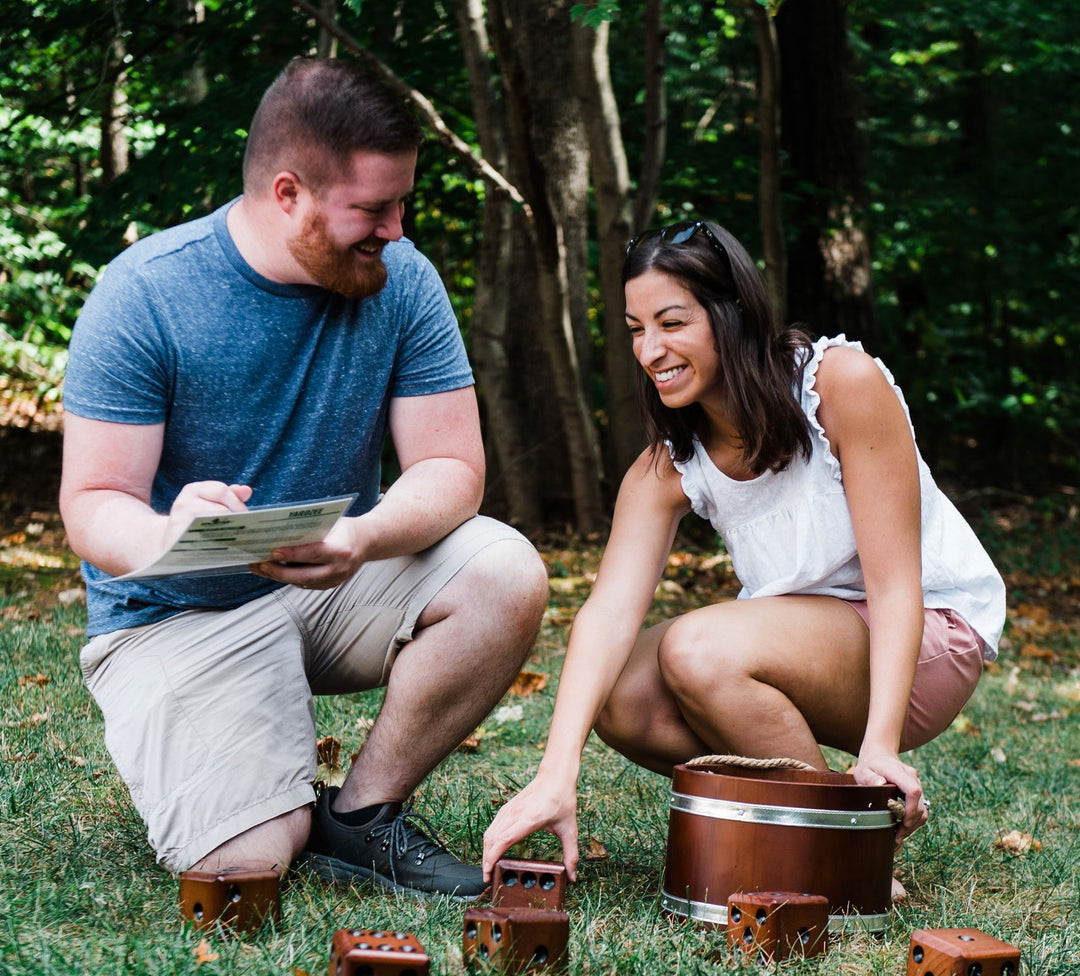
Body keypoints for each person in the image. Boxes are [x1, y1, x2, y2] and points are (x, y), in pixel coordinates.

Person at [59, 58, 548, 901]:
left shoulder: (404, 282)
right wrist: (168, 533)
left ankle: (361, 817)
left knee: (504, 570)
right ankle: (276, 799)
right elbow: (93, 504)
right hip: (173, 614)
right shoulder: (144, 294)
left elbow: (453, 470)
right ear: (289, 193)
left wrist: (363, 536)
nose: (396, 229)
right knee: (244, 867)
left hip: (333, 581)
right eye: (372, 208)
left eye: (402, 203)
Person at [482, 220, 1005, 898]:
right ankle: (815, 819)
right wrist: (557, 771)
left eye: (672, 322)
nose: (650, 350)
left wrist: (878, 747)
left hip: (925, 638)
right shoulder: (667, 467)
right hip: (808, 647)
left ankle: (844, 846)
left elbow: (896, 583)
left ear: (730, 313)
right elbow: (606, 615)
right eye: (636, 328)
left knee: (699, 648)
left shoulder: (839, 384)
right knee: (617, 694)